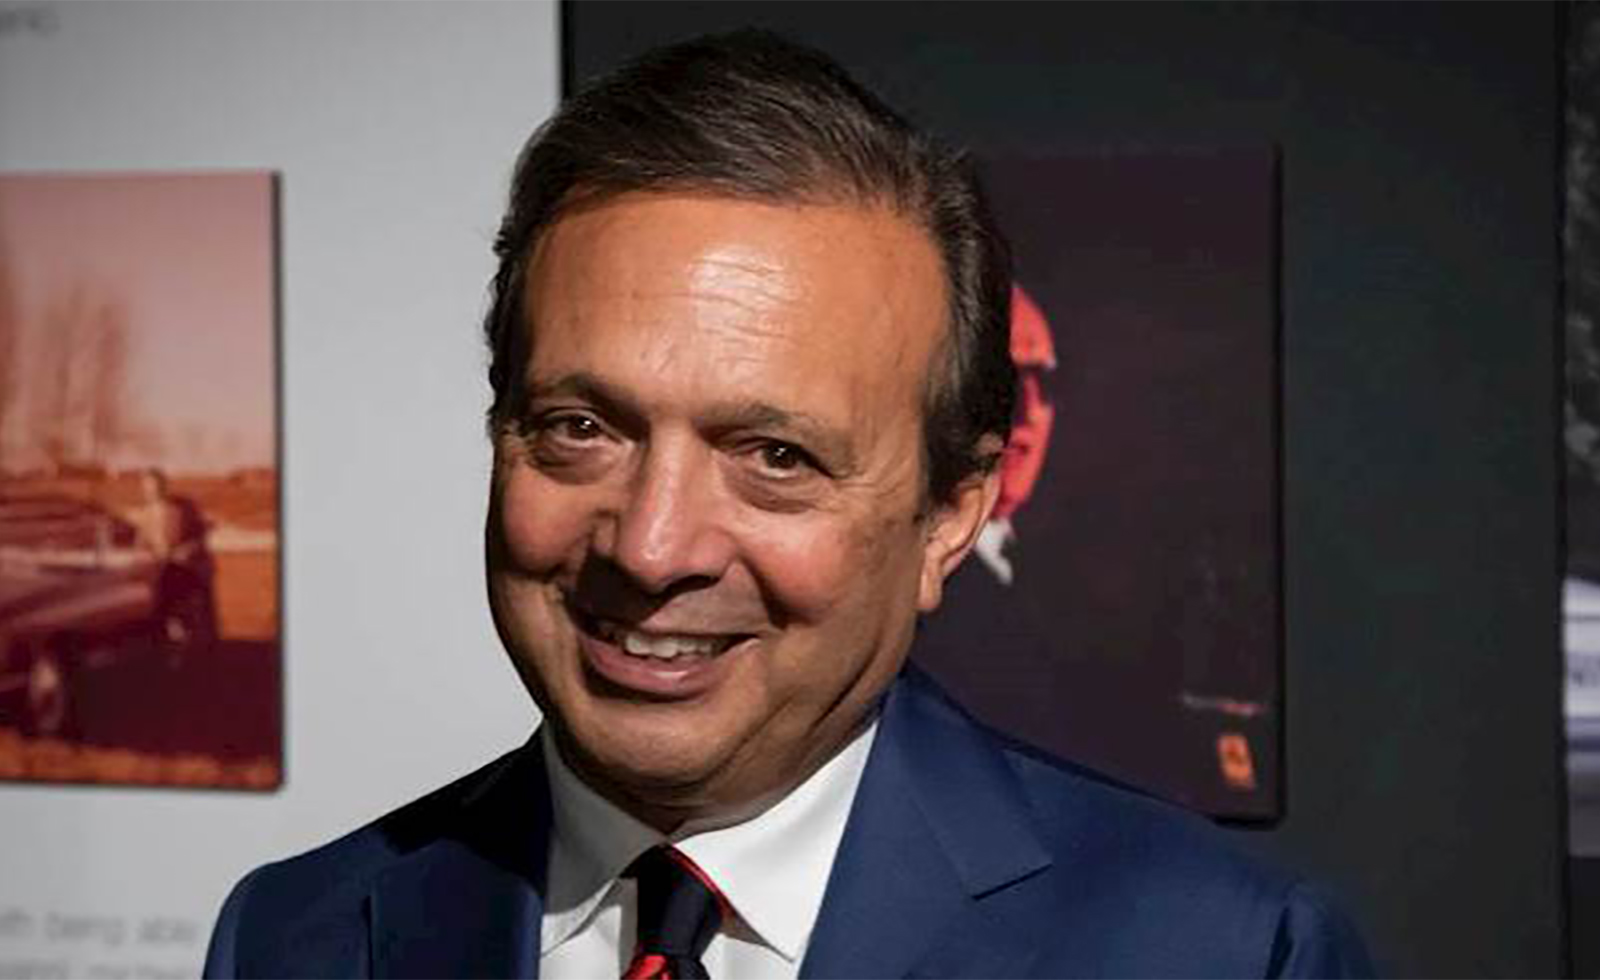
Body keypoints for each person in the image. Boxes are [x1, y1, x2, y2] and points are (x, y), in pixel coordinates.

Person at [203, 30, 1374, 979]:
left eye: (774, 455)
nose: (651, 545)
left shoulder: (1222, 953)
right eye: (581, 428)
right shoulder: (296, 935)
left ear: (949, 513)